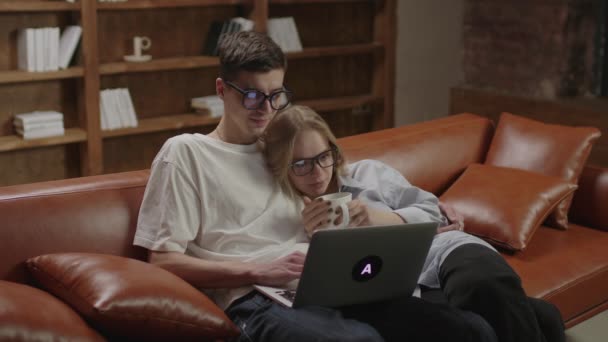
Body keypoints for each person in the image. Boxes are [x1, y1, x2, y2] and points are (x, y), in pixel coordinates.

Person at [134, 31, 499, 341]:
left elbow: (337, 169)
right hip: (255, 297)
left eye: (275, 95)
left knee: (471, 330)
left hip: (327, 284)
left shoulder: (280, 148)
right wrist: (258, 270)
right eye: (251, 95)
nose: (264, 107)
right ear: (221, 89)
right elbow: (163, 261)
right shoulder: (186, 153)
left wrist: (431, 203)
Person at [261, 104, 566, 342]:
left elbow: (433, 210)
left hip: (442, 249)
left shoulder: (368, 174)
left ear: (333, 150)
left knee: (487, 283)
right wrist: (320, 240)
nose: (316, 172)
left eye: (322, 157)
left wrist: (379, 217)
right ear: (281, 167)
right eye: (300, 164)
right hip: (400, 285)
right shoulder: (286, 211)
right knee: (541, 319)